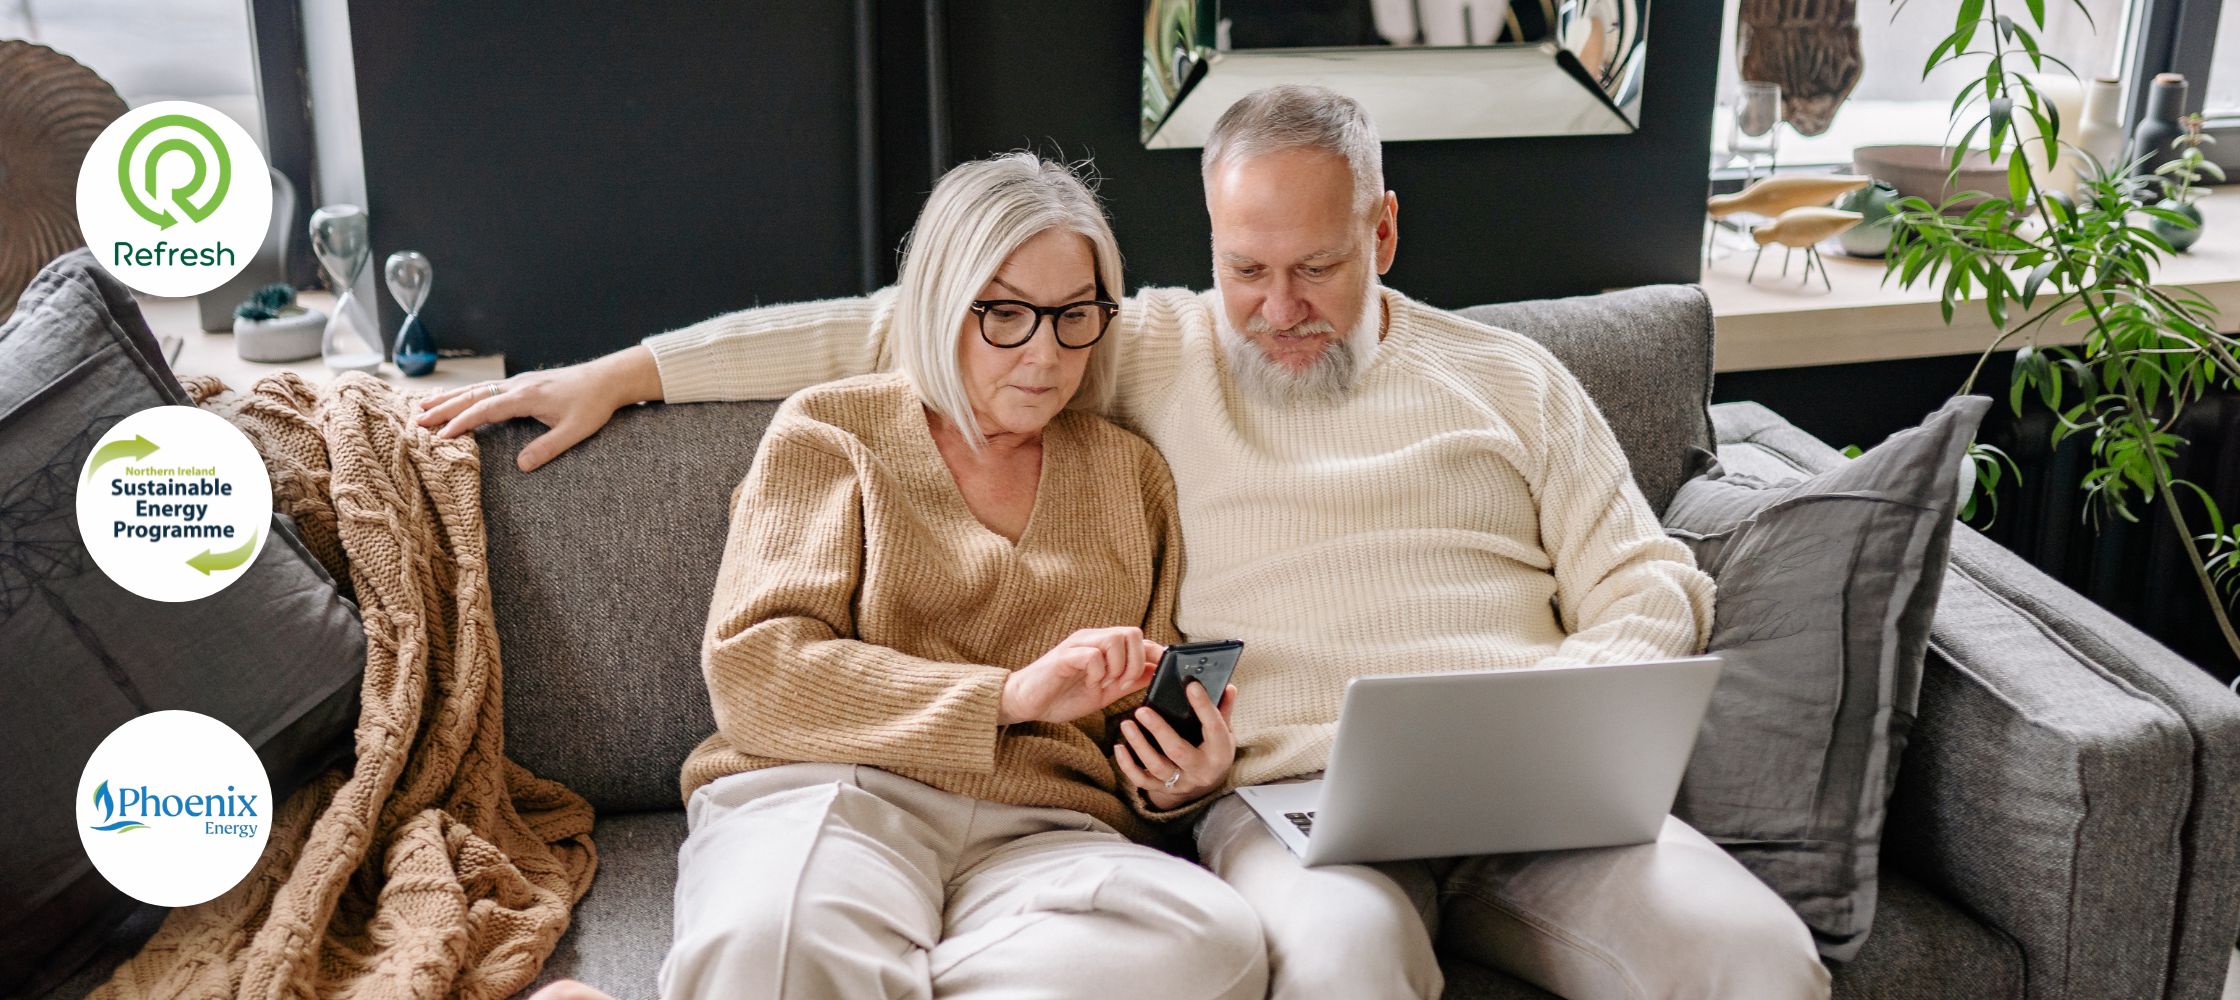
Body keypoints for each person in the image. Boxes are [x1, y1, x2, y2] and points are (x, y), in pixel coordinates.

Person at [430, 89, 1830, 999]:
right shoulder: (1137, 345)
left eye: (1318, 267)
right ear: (1208, 247)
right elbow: (904, 323)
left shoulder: (1511, 380)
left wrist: (1559, 717)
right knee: (1335, 970)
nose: (1276, 309)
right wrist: (631, 369)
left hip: (1538, 793)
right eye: (1245, 269)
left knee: (1764, 963)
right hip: (1296, 803)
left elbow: (1650, 576)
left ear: (1385, 232)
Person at [529, 153, 1267, 1000]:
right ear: (942, 304)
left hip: (1048, 835)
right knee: (771, 941)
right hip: (833, 796)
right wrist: (1007, 697)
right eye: (1004, 314)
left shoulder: (1129, 476)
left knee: (1216, 944)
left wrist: (1180, 777)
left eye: (1075, 315)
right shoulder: (831, 432)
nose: (1044, 352)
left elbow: (1138, 726)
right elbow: (756, 676)